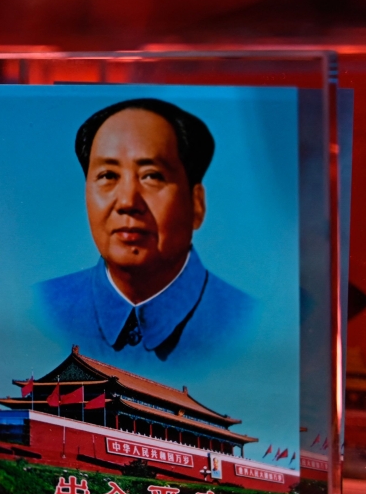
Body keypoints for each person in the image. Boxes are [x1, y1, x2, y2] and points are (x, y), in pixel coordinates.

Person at [36, 98, 254, 364]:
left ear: (196, 204)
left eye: (151, 176)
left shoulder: (250, 323)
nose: (128, 202)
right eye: (107, 176)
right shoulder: (38, 309)